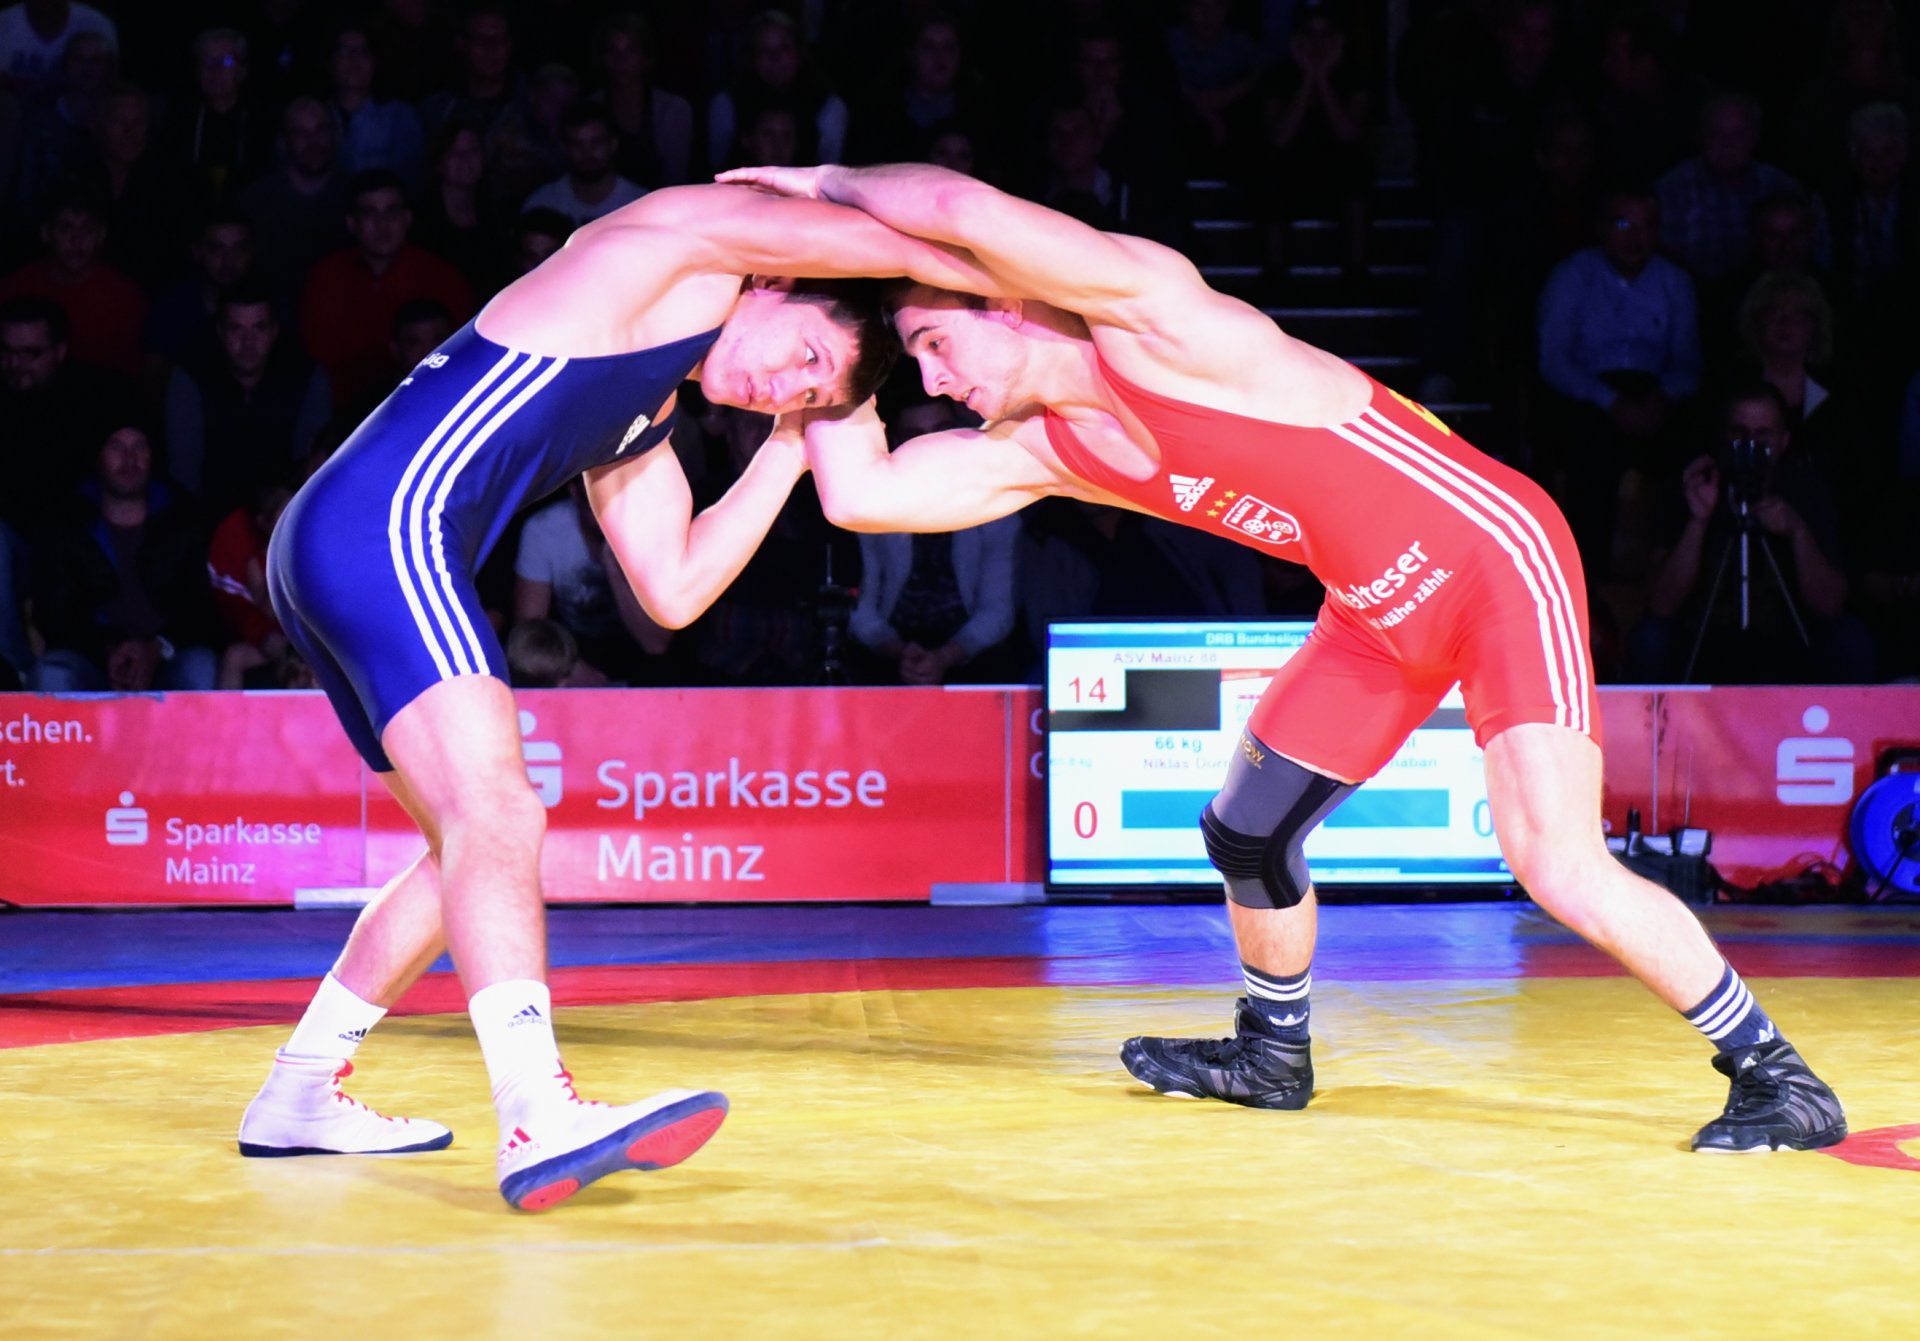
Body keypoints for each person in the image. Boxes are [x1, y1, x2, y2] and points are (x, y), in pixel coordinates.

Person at [722, 159, 1848, 1154]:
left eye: (932, 344)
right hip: (1373, 610)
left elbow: (955, 203)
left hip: (1491, 552)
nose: (930, 381)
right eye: (908, 361)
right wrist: (828, 363)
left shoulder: (1154, 320)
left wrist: (816, 194)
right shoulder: (1044, 451)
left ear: (1007, 301)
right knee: (1247, 830)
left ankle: (1777, 1076)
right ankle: (1274, 1054)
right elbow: (864, 497)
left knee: (1553, 859)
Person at [238, 179, 987, 1211]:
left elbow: (673, 590)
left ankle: (301, 1090)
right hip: (385, 526)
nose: (787, 388)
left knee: (466, 842)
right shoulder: (684, 248)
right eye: (806, 358)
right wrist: (1031, 286)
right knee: (500, 812)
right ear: (776, 278)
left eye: (811, 397)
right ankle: (537, 1110)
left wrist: (788, 446)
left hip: (335, 536)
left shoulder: (653, 400)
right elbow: (899, 233)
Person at [1627, 380, 1872, 685]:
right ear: (1722, 438)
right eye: (1739, 434)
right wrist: (1698, 520)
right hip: (1703, 641)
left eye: (1762, 435)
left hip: (1789, 642)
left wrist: (1796, 530)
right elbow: (1660, 606)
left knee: (1850, 638)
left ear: (1784, 441)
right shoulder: (1694, 485)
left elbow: (1831, 604)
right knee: (1650, 639)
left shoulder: (1807, 490)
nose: (1750, 446)